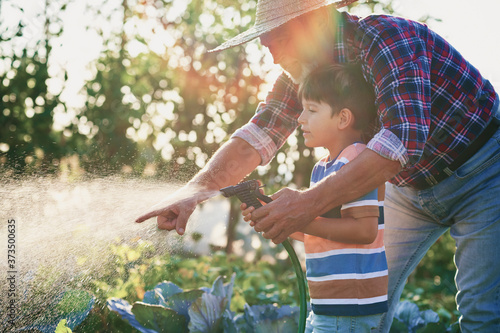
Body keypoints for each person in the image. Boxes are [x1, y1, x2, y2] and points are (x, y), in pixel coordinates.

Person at [136, 0, 500, 331]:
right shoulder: (305, 74)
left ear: (319, 21)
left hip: (485, 173)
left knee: (483, 314)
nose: (275, 57)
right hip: (409, 187)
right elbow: (259, 133)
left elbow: (403, 139)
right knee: (359, 304)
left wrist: (307, 203)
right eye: (267, 43)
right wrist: (192, 193)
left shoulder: (388, 40)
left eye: (282, 39)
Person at [241, 63, 388, 332]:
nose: (300, 119)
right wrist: (275, 218)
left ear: (343, 118)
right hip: (326, 306)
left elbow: (365, 230)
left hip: (349, 309)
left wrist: (303, 219)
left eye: (311, 110)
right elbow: (321, 234)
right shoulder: (322, 168)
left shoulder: (356, 161)